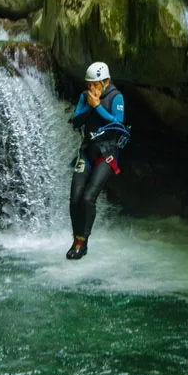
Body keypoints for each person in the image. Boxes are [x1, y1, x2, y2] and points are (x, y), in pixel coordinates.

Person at [65, 62, 125, 260]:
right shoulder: (85, 97)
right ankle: (77, 240)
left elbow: (118, 124)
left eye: (95, 84)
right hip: (87, 152)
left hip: (106, 155)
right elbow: (75, 121)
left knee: (88, 198)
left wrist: (98, 107)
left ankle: (84, 242)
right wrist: (89, 107)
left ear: (106, 82)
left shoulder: (117, 97)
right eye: (88, 84)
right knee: (75, 198)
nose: (91, 88)